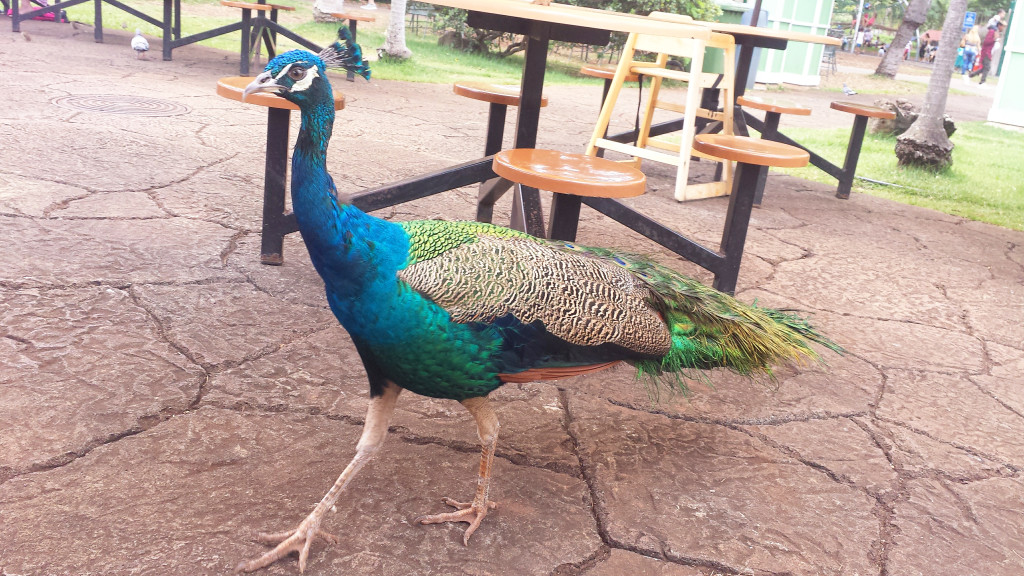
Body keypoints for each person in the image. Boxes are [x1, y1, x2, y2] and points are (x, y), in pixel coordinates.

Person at [970, 20, 1005, 84]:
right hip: (986, 52)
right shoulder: (992, 31)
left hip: (989, 52)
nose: (1003, 28)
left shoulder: (996, 32)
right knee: (987, 67)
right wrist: (995, 39)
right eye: (1003, 26)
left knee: (985, 68)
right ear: (999, 25)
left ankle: (972, 75)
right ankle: (982, 81)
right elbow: (986, 42)